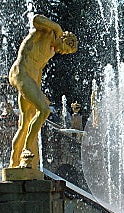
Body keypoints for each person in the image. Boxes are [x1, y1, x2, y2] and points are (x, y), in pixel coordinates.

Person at [8, 14, 78, 169]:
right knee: (44, 110)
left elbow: (39, 70)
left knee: (25, 123)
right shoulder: (47, 32)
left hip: (30, 79)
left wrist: (39, 91)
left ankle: (14, 162)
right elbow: (36, 19)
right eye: (66, 49)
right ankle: (26, 151)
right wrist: (56, 27)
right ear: (65, 39)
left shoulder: (51, 52)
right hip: (20, 73)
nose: (63, 52)